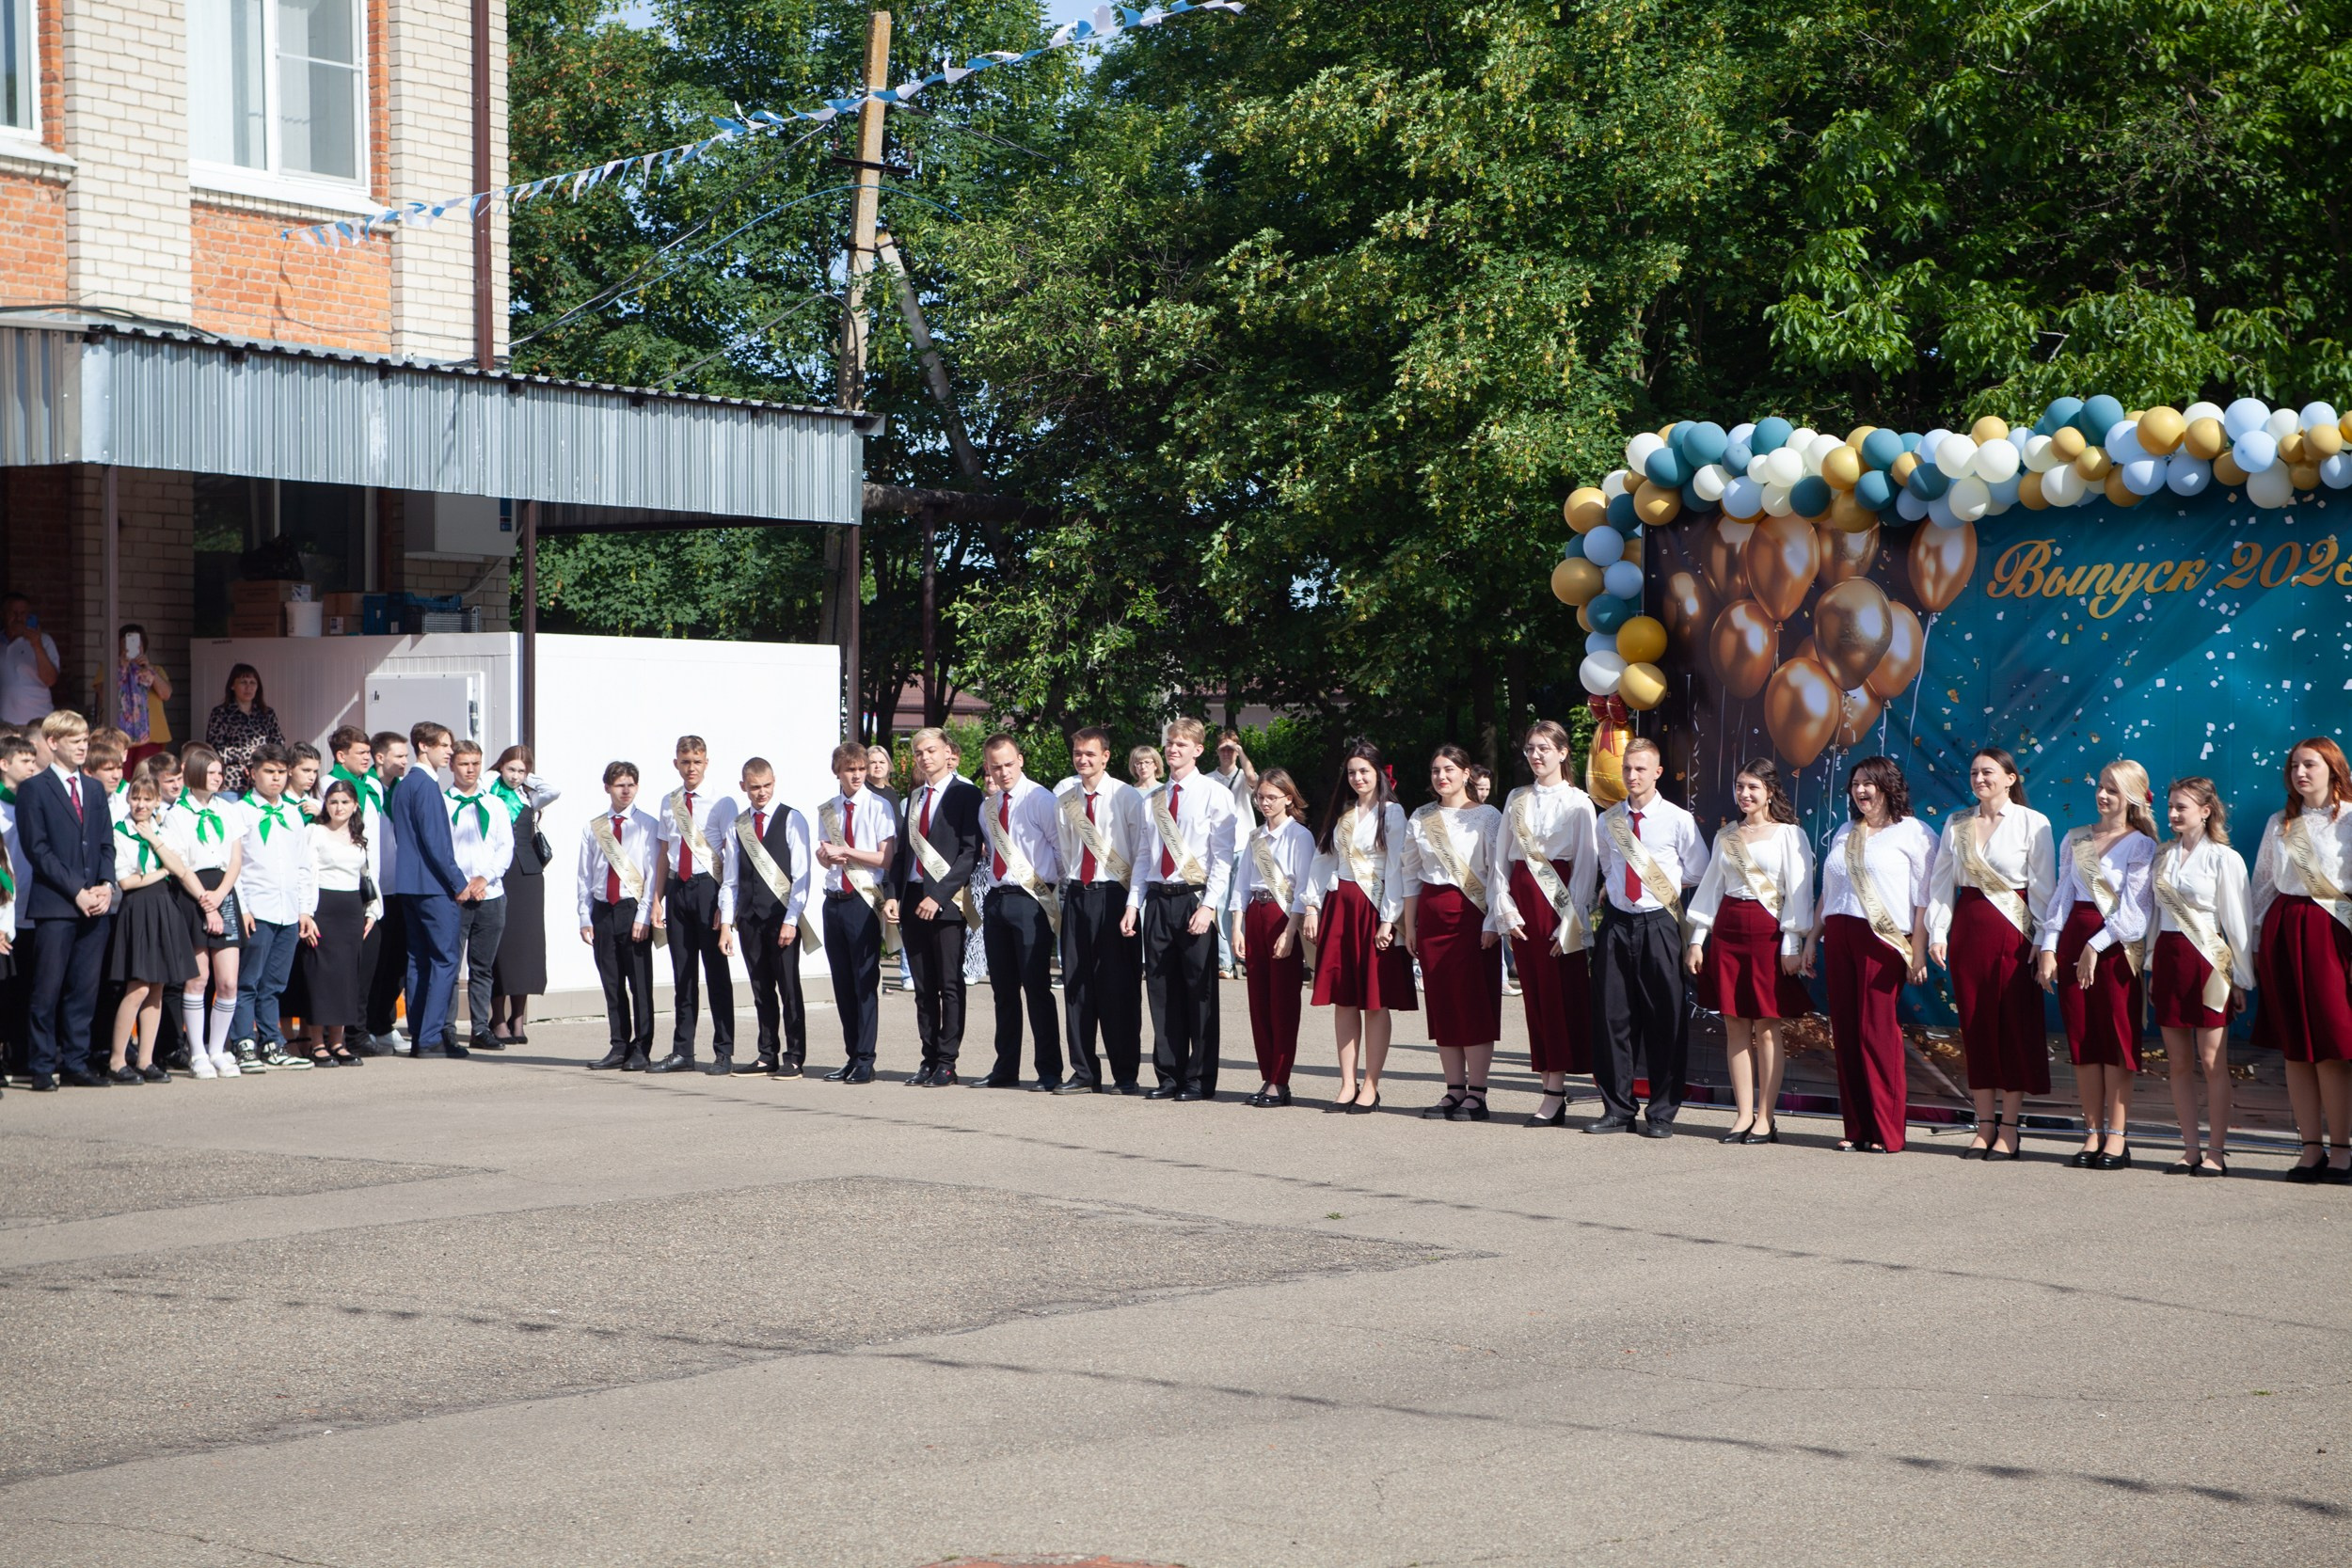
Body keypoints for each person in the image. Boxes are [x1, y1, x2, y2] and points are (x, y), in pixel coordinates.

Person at [1926, 747, 2058, 1161]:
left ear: (2010, 778)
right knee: (1977, 1026)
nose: (1979, 779)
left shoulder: (2033, 823)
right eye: (1974, 773)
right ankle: (1983, 1126)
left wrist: (2043, 940)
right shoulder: (1957, 823)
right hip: (1968, 931)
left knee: (2013, 1027)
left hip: (2014, 935)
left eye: (1988, 772)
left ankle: (2010, 1128)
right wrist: (1937, 930)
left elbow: (2043, 888)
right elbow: (1941, 882)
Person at [1806, 755, 1935, 1153]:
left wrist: (1918, 952)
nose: (1861, 791)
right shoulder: (1846, 831)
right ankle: (1858, 1127)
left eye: (1869, 783)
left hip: (1881, 939)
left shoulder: (1914, 833)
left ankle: (1887, 1131)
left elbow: (1924, 898)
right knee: (1845, 1032)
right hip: (1840, 933)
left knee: (1876, 1031)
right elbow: (1828, 891)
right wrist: (1813, 938)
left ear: (1888, 787)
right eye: (1856, 783)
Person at [2036, 760, 2159, 1171]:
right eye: (2101, 786)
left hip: (2115, 948)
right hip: (2074, 939)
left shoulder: (2141, 844)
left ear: (2134, 797)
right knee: (2083, 1041)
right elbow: (2061, 897)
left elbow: (2136, 912)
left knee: (2116, 1043)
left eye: (2113, 789)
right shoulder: (2075, 839)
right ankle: (2091, 1132)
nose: (2103, 795)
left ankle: (2119, 1137)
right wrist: (2050, 946)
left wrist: (2096, 945)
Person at [1684, 758, 1814, 1145]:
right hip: (1728, 931)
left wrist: (1792, 942)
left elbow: (1799, 891)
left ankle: (1765, 1117)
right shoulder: (1726, 835)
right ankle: (1741, 1115)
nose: (1745, 794)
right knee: (1735, 1024)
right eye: (1740, 786)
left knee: (1768, 1026)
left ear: (1770, 792)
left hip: (1768, 933)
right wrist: (1696, 938)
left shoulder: (1790, 835)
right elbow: (1710, 889)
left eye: (1753, 787)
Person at [1589, 736, 1708, 1136]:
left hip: (1660, 924)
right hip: (1617, 924)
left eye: (1641, 769)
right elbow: (1607, 865)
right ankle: (1618, 1109)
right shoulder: (1608, 821)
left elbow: (1697, 871)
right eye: (1627, 768)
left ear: (1657, 773)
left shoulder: (1678, 820)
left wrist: (1663, 887)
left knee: (1665, 1019)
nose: (1632, 775)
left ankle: (1661, 1113)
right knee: (1613, 1019)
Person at [2250, 737, 2352, 1184]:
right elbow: (2264, 885)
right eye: (2294, 765)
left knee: (2332, 1045)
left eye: (2309, 764)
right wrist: (2253, 945)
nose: (2300, 773)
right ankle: (2310, 1148)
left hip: (2335, 933)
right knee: (2296, 1047)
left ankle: (2343, 1148)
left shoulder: (2350, 819)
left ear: (2332, 767)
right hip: (2285, 930)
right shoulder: (2281, 823)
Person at [1495, 721, 1599, 1127]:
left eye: (1543, 749)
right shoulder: (1516, 799)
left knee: (1558, 998)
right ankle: (1549, 1085)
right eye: (1530, 749)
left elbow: (1587, 866)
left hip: (1556, 907)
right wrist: (1503, 906)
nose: (1536, 756)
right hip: (1521, 906)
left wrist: (1570, 921)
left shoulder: (1578, 803)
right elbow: (1502, 857)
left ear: (1562, 753)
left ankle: (1555, 1092)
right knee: (1535, 998)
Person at [1125, 718, 1235, 1101]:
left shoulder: (1213, 793)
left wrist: (1208, 907)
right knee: (1161, 991)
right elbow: (1142, 855)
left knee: (1198, 992)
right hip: (1156, 900)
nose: (1173, 749)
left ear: (1198, 750)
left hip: (1193, 898)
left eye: (1181, 745)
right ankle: (1168, 1076)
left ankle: (1199, 1079)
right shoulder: (1152, 799)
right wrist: (1132, 903)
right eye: (1169, 743)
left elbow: (1222, 859)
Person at [1302, 743, 1416, 1112]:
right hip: (1340, 908)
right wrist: (1312, 905)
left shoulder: (1393, 813)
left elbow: (1397, 868)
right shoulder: (1343, 812)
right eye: (1352, 772)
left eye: (1364, 771)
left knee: (1374, 1000)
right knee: (1345, 999)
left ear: (1379, 773)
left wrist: (1389, 919)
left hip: (1374, 909)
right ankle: (1347, 1083)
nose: (1358, 778)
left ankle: (1371, 1084)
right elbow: (1323, 859)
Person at [2151, 777, 2250, 1178]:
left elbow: (2238, 922)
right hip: (2169, 960)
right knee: (2177, 1062)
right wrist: (2150, 970)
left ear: (2206, 811)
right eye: (2170, 806)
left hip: (2209, 962)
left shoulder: (2225, 859)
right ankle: (2189, 1148)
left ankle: (2216, 1150)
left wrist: (2241, 977)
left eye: (2182, 808)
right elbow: (2157, 918)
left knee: (2212, 1060)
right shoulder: (2162, 856)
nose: (2173, 814)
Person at [1406, 745, 1505, 1122]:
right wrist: (1409, 924)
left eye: (1449, 769)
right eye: (1435, 771)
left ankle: (1477, 1094)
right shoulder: (1421, 816)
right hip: (1431, 916)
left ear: (1467, 774)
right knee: (1443, 1003)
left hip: (1472, 915)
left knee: (1474, 1002)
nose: (1441, 777)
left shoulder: (1487, 816)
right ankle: (1453, 1090)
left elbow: (1497, 874)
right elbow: (1411, 874)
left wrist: (1494, 921)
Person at [19, 710, 117, 1089]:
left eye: (86, 740)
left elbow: (105, 841)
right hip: (57, 903)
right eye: (75, 741)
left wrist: (105, 884)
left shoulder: (92, 789)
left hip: (95, 903)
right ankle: (42, 1064)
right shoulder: (35, 788)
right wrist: (76, 890)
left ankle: (76, 1062)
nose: (82, 747)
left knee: (84, 987)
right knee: (47, 987)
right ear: (53, 743)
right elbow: (37, 850)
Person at [1056, 727, 1149, 1094]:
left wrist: (1132, 904)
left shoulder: (1126, 797)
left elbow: (1141, 850)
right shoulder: (1066, 798)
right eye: (1078, 753)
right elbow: (1066, 851)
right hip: (1078, 895)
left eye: (1090, 754)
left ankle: (1125, 1074)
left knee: (1119, 988)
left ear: (1106, 756)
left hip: (1115, 897)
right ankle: (1083, 1072)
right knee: (1077, 986)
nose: (1083, 760)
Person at [886, 727, 981, 1086]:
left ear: (947, 752)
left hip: (947, 904)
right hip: (911, 900)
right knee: (923, 987)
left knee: (949, 984)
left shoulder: (965, 794)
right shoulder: (912, 798)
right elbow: (901, 854)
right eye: (919, 752)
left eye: (931, 750)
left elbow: (969, 854)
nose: (925, 757)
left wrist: (938, 896)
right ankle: (927, 1058)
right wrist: (892, 894)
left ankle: (947, 1062)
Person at [975, 734, 1066, 1091]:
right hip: (997, 900)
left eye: (1008, 763)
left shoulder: (1040, 799)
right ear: (987, 767)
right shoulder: (989, 807)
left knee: (1037, 988)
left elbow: (1060, 851)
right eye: (995, 766)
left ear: (1021, 760)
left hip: (1032, 900)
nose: (1003, 771)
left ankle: (1048, 1070)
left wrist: (1050, 893)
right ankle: (1005, 1066)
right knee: (1003, 990)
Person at [387, 722, 481, 1060]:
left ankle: (421, 1033)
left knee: (419, 960)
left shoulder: (406, 785)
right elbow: (437, 844)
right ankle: (429, 1036)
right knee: (444, 960)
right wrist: (458, 883)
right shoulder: (425, 785)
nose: (450, 752)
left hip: (410, 884)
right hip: (432, 886)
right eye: (443, 745)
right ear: (423, 747)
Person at [102, 771, 204, 1081]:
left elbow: (181, 867)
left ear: (157, 801)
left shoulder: (161, 829)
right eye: (136, 798)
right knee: (138, 986)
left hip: (163, 907)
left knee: (157, 987)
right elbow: (127, 881)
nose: (141, 804)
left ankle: (146, 1059)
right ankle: (117, 1059)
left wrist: (153, 840)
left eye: (147, 799)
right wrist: (161, 871)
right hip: (139, 907)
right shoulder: (119, 831)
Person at [229, 742, 318, 1071]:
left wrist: (305, 909)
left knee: (274, 984)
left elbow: (304, 865)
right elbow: (234, 865)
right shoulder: (240, 812)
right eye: (269, 772)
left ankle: (272, 1043)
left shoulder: (293, 813)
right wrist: (244, 908)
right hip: (258, 909)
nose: (276, 779)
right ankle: (243, 1042)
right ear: (253, 774)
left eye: (281, 772)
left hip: (288, 910)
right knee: (248, 980)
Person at [723, 755, 813, 1077]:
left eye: (767, 786)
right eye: (755, 787)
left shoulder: (792, 818)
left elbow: (802, 875)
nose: (761, 793)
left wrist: (791, 920)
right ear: (743, 787)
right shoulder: (740, 825)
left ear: (774, 783)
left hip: (781, 918)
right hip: (749, 918)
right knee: (761, 989)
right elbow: (731, 879)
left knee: (789, 989)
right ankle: (766, 1054)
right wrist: (727, 923)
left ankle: (795, 1056)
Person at [652, 735, 736, 1075]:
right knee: (683, 974)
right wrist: (657, 899)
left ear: (706, 762)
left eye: (697, 762)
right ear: (676, 763)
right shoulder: (669, 802)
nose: (691, 768)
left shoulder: (721, 801)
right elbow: (662, 854)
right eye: (685, 762)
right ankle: (682, 1051)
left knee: (716, 974)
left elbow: (732, 856)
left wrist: (726, 907)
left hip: (709, 889)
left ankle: (723, 1051)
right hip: (678, 890)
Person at [1231, 768, 1312, 1107]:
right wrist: (1237, 926)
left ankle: (1281, 1080)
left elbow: (1304, 888)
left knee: (1282, 1003)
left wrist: (1291, 932)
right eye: (1260, 797)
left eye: (1271, 797)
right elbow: (1241, 883)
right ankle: (1267, 1076)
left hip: (1283, 917)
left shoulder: (1300, 836)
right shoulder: (1255, 837)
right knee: (1258, 1002)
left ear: (1288, 799)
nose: (1264, 803)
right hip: (1256, 913)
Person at [165, 744, 246, 1078]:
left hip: (223, 890)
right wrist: (205, 901)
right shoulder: (177, 814)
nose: (218, 778)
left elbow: (236, 858)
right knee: (198, 979)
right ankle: (197, 1051)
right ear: (196, 773)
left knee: (228, 981)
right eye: (212, 773)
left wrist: (221, 895)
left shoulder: (228, 810)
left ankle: (218, 1049)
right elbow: (179, 865)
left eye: (219, 772)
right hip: (193, 893)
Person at [818, 741, 897, 1082]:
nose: (857, 775)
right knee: (842, 983)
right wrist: (826, 856)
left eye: (861, 769)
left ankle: (866, 1058)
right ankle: (851, 1055)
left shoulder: (879, 807)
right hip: (833, 899)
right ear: (838, 772)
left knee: (865, 981)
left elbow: (885, 858)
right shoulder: (828, 810)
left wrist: (847, 851)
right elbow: (822, 853)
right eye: (850, 770)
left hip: (862, 901)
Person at [580, 761, 660, 1071]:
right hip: (602, 910)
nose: (625, 790)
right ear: (607, 788)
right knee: (611, 983)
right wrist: (584, 917)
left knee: (639, 984)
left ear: (637, 787)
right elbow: (585, 876)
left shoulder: (648, 825)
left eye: (630, 784)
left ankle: (642, 1047)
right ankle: (618, 1046)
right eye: (619, 785)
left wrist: (643, 915)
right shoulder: (594, 827)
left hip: (632, 909)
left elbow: (652, 875)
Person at [300, 778, 379, 1068]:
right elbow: (306, 873)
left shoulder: (360, 836)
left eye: (345, 802)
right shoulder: (315, 832)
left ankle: (338, 1042)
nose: (339, 807)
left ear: (355, 805)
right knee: (321, 975)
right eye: (333, 801)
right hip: (323, 906)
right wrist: (306, 912)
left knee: (347, 977)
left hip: (351, 909)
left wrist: (372, 910)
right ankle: (317, 1043)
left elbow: (369, 876)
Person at [487, 746, 560, 1046]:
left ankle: (518, 1018)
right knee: (500, 946)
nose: (515, 776)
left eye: (521, 771)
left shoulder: (528, 796)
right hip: (499, 873)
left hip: (528, 875)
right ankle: (498, 1018)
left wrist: (529, 776)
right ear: (500, 767)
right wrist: (494, 772)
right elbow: (481, 778)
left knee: (526, 948)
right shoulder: (489, 793)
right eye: (510, 769)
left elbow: (553, 790)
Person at [446, 740, 516, 1054]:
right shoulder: (442, 804)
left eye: (475, 763)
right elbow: (439, 849)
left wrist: (484, 878)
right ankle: (445, 1028)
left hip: (490, 894)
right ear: (452, 766)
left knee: (482, 966)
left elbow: (505, 847)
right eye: (463, 764)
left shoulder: (495, 805)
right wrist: (460, 882)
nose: (470, 770)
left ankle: (479, 1027)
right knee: (449, 964)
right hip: (455, 896)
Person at [358, 729, 411, 1053]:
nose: (405, 761)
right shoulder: (368, 789)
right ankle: (365, 1026)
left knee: (395, 963)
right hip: (375, 889)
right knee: (373, 964)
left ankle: (383, 1023)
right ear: (380, 758)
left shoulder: (401, 790)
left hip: (400, 888)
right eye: (399, 756)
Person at [1208, 729, 1258, 979]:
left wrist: (1240, 751)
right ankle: (1225, 961)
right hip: (1218, 848)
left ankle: (1246, 956)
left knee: (1243, 903)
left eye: (1232, 749)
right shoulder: (1208, 780)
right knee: (1220, 903)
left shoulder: (1242, 777)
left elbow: (1252, 778)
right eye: (1223, 749)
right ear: (1216, 751)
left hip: (1243, 845)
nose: (1227, 753)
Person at [868, 742, 912, 996]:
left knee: (895, 923)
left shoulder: (893, 794)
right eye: (872, 762)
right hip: (872, 867)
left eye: (881, 762)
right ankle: (876, 979)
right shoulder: (863, 793)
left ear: (889, 766)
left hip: (892, 868)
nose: (877, 766)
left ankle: (904, 973)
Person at [204, 664, 284, 796]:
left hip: (262, 780)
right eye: (243, 682)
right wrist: (249, 757)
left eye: (253, 682)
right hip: (232, 782)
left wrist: (259, 761)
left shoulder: (267, 714)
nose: (249, 687)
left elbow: (278, 745)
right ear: (232, 686)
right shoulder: (220, 713)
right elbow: (215, 749)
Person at [105, 625, 174, 768]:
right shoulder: (109, 668)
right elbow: (104, 693)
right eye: (126, 643)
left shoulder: (155, 669)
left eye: (137, 643)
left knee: (150, 777)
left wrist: (148, 669)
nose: (133, 647)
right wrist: (122, 666)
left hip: (152, 737)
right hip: (121, 737)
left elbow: (165, 694)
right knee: (122, 776)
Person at [1, 595, 60, 726]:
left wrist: (36, 645)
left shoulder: (44, 641)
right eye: (13, 613)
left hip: (37, 722)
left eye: (23, 614)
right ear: (3, 615)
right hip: (4, 725)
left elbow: (50, 680)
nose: (18, 618)